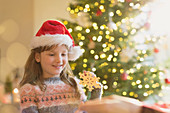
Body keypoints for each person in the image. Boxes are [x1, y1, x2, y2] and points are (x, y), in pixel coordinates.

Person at [19, 20, 102, 113]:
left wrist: (95, 93)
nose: (59, 60)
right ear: (37, 57)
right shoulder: (29, 91)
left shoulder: (74, 85)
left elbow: (85, 111)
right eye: (51, 54)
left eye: (63, 54)